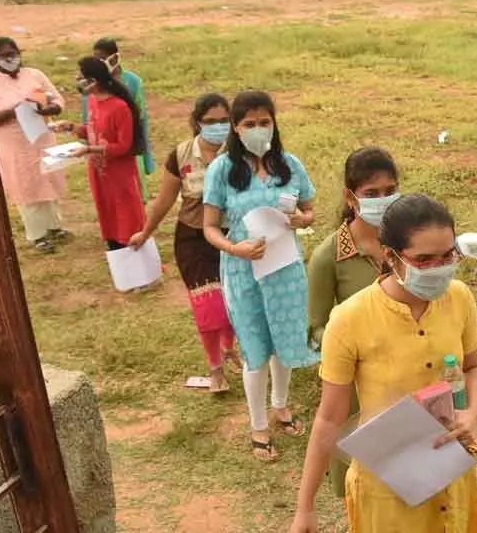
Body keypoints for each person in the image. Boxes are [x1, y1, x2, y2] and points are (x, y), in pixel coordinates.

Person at [291, 193, 477, 533]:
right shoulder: (349, 319)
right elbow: (329, 417)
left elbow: (472, 367)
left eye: (447, 256)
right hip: (386, 487)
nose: (439, 268)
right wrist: (305, 508)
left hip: (451, 469)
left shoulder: (459, 298)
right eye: (424, 260)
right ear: (390, 256)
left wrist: (473, 413)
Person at [202, 90, 319, 461]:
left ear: (274, 123)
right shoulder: (222, 171)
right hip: (243, 270)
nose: (257, 129)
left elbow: (309, 208)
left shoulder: (289, 164)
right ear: (236, 129)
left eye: (264, 122)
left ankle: (281, 405)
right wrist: (235, 248)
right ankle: (258, 425)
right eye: (249, 124)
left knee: (285, 341)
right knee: (255, 349)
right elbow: (209, 228)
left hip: (284, 269)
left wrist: (302, 220)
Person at [128, 93, 242, 393]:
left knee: (232, 301)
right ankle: (215, 369)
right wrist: (145, 232)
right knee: (208, 307)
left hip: (232, 238)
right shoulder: (181, 155)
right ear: (196, 122)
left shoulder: (241, 154)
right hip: (193, 239)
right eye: (210, 122)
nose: (218, 127)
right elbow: (165, 200)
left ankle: (229, 348)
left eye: (223, 121)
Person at [305, 146, 400, 497]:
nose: (383, 200)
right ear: (350, 196)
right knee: (362, 488)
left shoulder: (406, 244)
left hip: (408, 379)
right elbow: (315, 330)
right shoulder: (328, 257)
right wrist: (352, 341)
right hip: (357, 390)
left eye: (390, 191)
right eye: (371, 194)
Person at [0, 37, 68, 253]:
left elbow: (57, 100)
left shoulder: (34, 75)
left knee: (49, 180)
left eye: (13, 53)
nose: (10, 58)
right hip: (14, 144)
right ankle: (38, 235)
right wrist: (13, 111)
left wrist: (49, 109)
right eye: (4, 55)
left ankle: (55, 227)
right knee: (26, 187)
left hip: (41, 137)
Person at [55, 57, 146, 252]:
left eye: (81, 76)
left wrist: (89, 150)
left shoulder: (119, 107)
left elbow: (124, 145)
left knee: (126, 214)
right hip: (100, 172)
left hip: (119, 174)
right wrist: (71, 127)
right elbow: (93, 130)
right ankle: (116, 253)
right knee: (108, 212)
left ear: (93, 81)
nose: (77, 79)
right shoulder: (93, 101)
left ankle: (136, 258)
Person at [82, 38, 155, 205]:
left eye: (102, 58)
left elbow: (140, 117)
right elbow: (89, 119)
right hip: (102, 148)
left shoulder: (132, 83)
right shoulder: (92, 88)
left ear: (114, 58)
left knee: (133, 193)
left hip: (125, 146)